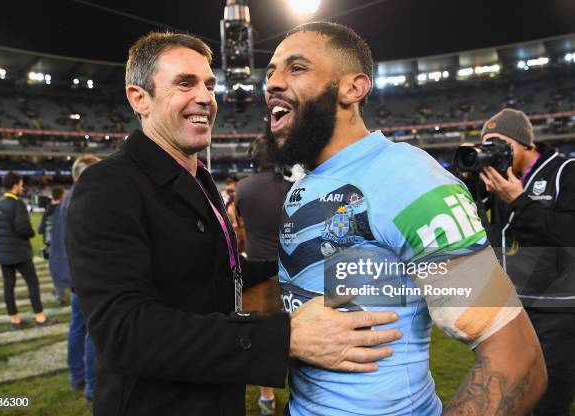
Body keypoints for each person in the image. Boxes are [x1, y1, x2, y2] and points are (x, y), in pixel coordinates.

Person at [65, 31, 402, 416]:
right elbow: (124, 331)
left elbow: (218, 270)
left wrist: (297, 265)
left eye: (209, 85)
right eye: (184, 83)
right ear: (139, 98)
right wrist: (284, 338)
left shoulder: (199, 179)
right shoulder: (110, 184)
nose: (206, 98)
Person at [264, 21, 546, 415]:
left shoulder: (407, 178)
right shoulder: (304, 186)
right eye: (270, 72)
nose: (273, 83)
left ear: (353, 87)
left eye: (296, 68)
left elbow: (517, 359)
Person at [476, 108, 575, 415]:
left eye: (499, 144)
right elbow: (492, 235)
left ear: (525, 144)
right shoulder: (499, 177)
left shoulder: (565, 171)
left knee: (548, 401)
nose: (492, 152)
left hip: (556, 308)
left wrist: (519, 201)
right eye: (486, 144)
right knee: (510, 395)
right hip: (511, 306)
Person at [235, 135, 292, 415]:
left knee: (261, 339)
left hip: (257, 273)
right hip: (290, 271)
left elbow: (242, 224)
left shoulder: (243, 188)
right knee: (296, 333)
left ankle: (267, 398)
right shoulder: (293, 188)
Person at [50, 155, 100, 403]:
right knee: (94, 331)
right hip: (85, 274)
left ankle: (78, 376)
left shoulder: (68, 197)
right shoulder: (85, 197)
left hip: (71, 273)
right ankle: (92, 387)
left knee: (78, 326)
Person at [0, 172, 56, 330]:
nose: (22, 187)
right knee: (32, 284)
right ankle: (40, 318)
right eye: (20, 184)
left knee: (8, 287)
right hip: (20, 253)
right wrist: (31, 232)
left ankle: (15, 321)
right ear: (14, 186)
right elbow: (23, 228)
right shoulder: (17, 204)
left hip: (3, 254)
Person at [38, 185, 67, 306]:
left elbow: (40, 230)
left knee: (56, 273)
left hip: (51, 247)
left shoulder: (48, 210)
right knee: (72, 271)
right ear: (62, 195)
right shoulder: (65, 208)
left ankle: (60, 297)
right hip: (65, 246)